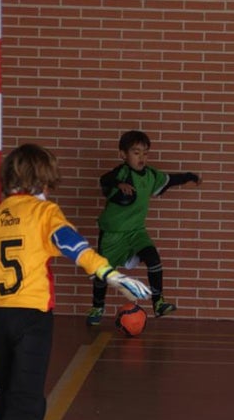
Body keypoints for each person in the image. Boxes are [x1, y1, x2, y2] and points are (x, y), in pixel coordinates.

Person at [0, 143, 151, 420]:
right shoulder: (44, 211)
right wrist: (112, 275)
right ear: (43, 179)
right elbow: (73, 245)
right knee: (26, 403)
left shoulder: (0, 213)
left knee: (8, 395)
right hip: (31, 317)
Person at [86, 130, 201, 325]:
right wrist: (120, 184)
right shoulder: (122, 172)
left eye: (145, 153)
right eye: (136, 152)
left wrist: (189, 176)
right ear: (123, 154)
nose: (141, 157)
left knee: (153, 258)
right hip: (113, 233)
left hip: (136, 231)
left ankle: (158, 302)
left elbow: (170, 179)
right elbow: (105, 179)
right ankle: (97, 306)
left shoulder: (150, 175)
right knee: (102, 273)